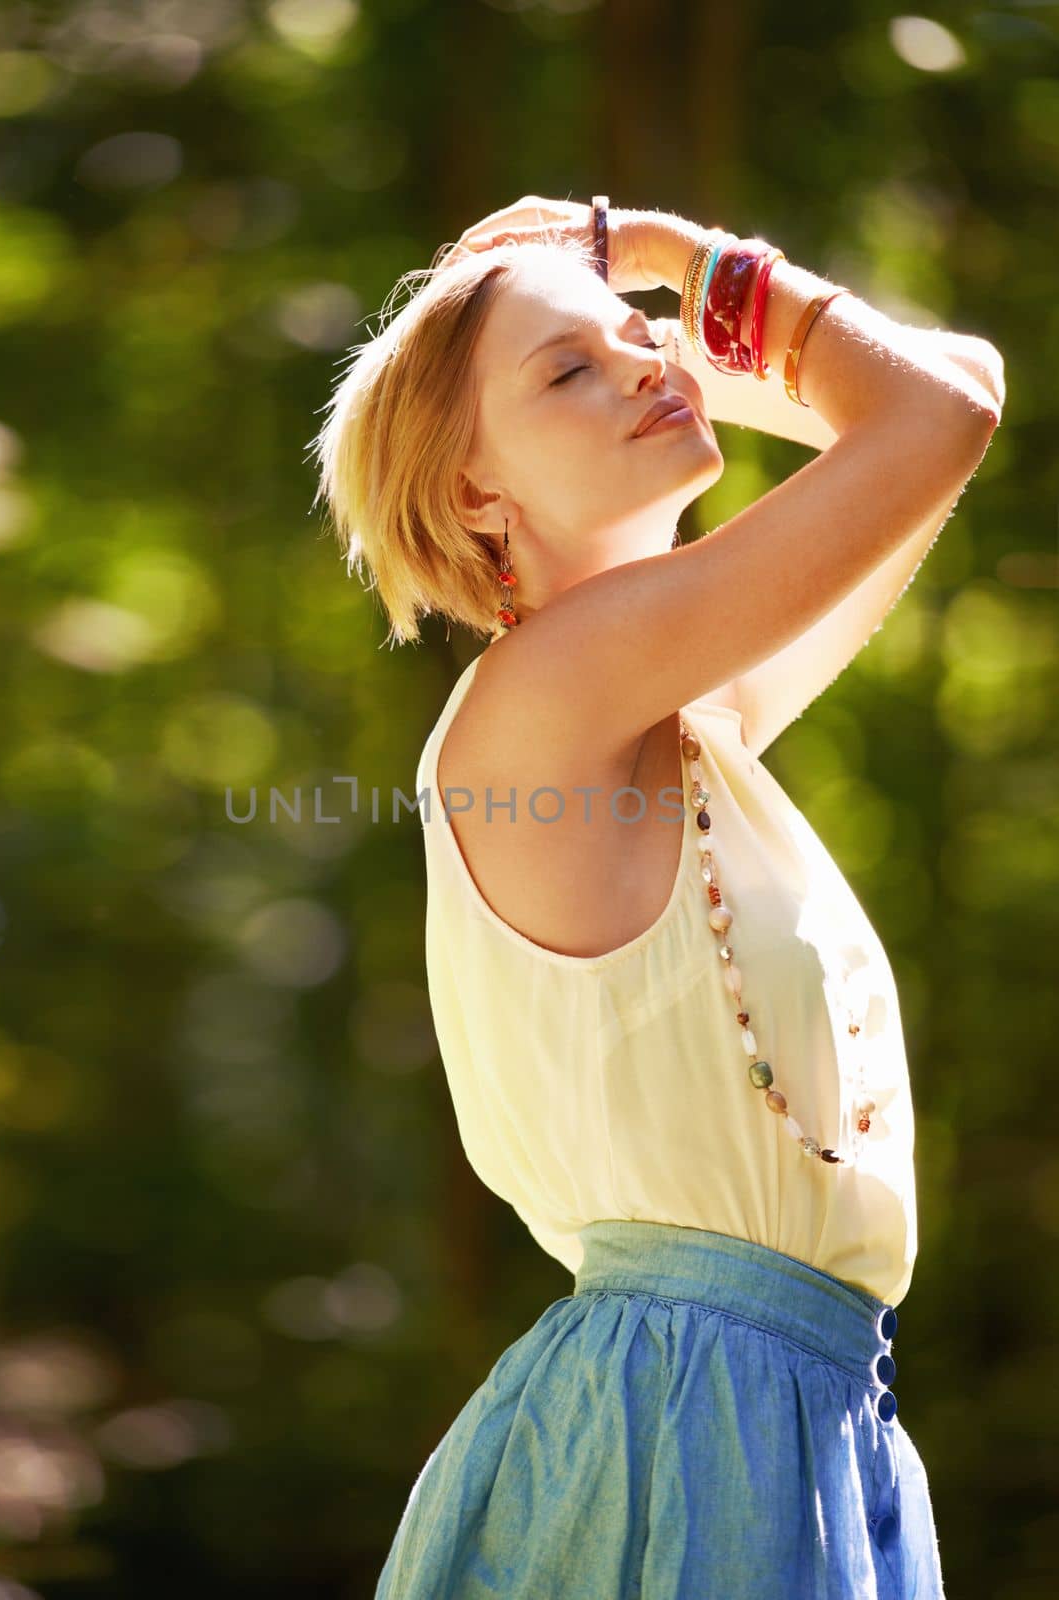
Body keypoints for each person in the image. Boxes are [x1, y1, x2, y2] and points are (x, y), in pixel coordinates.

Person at [309, 195, 1004, 1598]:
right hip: (679, 1422)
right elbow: (926, 417)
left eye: (644, 345)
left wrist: (613, 332)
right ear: (469, 494)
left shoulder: (695, 723)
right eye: (565, 373)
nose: (645, 362)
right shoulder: (550, 694)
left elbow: (961, 375)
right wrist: (674, 260)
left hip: (797, 1403)